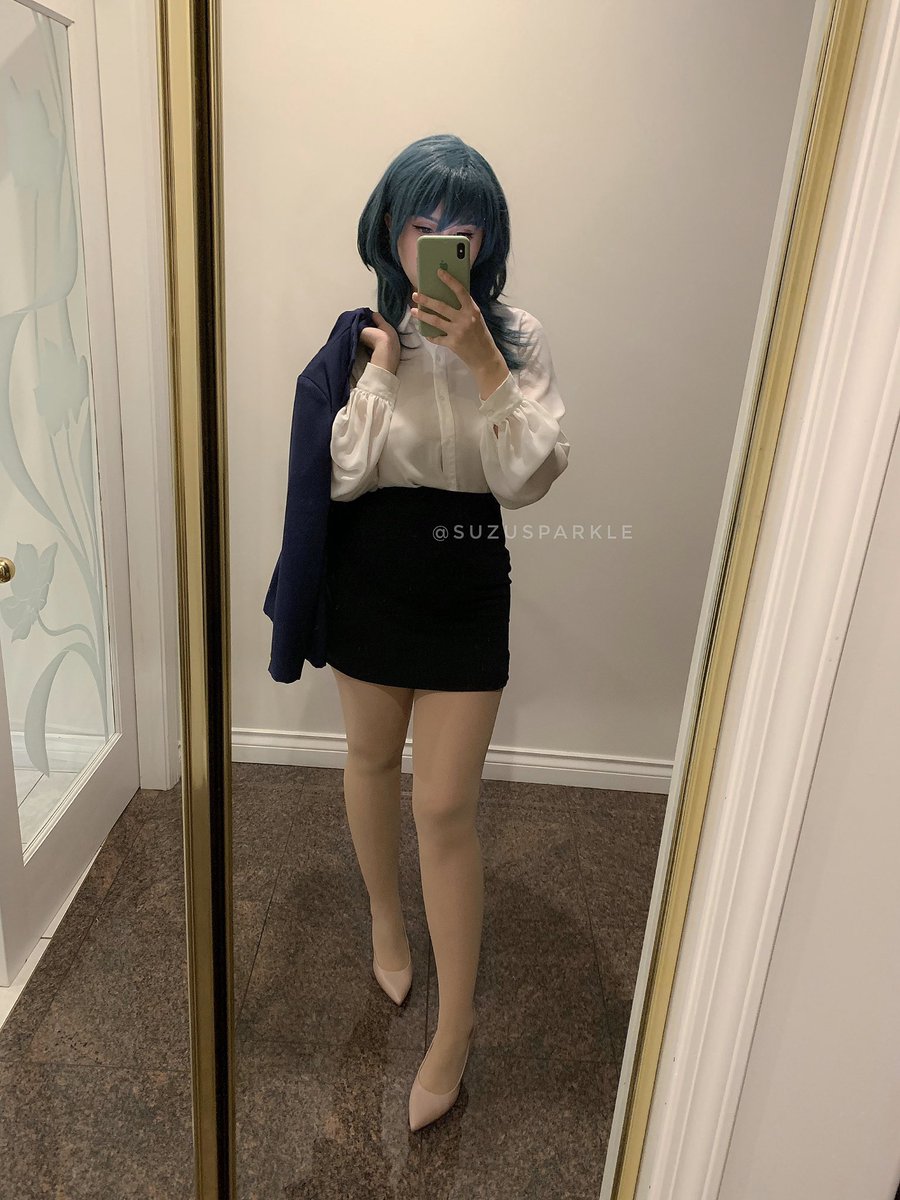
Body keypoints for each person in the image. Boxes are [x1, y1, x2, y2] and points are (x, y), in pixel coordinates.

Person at [324, 133, 570, 1131]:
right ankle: (387, 921)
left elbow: (531, 477)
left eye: (460, 230)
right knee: (369, 759)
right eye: (422, 224)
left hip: (466, 569)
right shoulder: (363, 335)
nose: (440, 244)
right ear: (389, 227)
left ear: (485, 240)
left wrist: (483, 360)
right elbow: (343, 474)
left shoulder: (517, 335)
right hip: (371, 568)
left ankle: (455, 1026)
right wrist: (385, 368)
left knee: (444, 806)